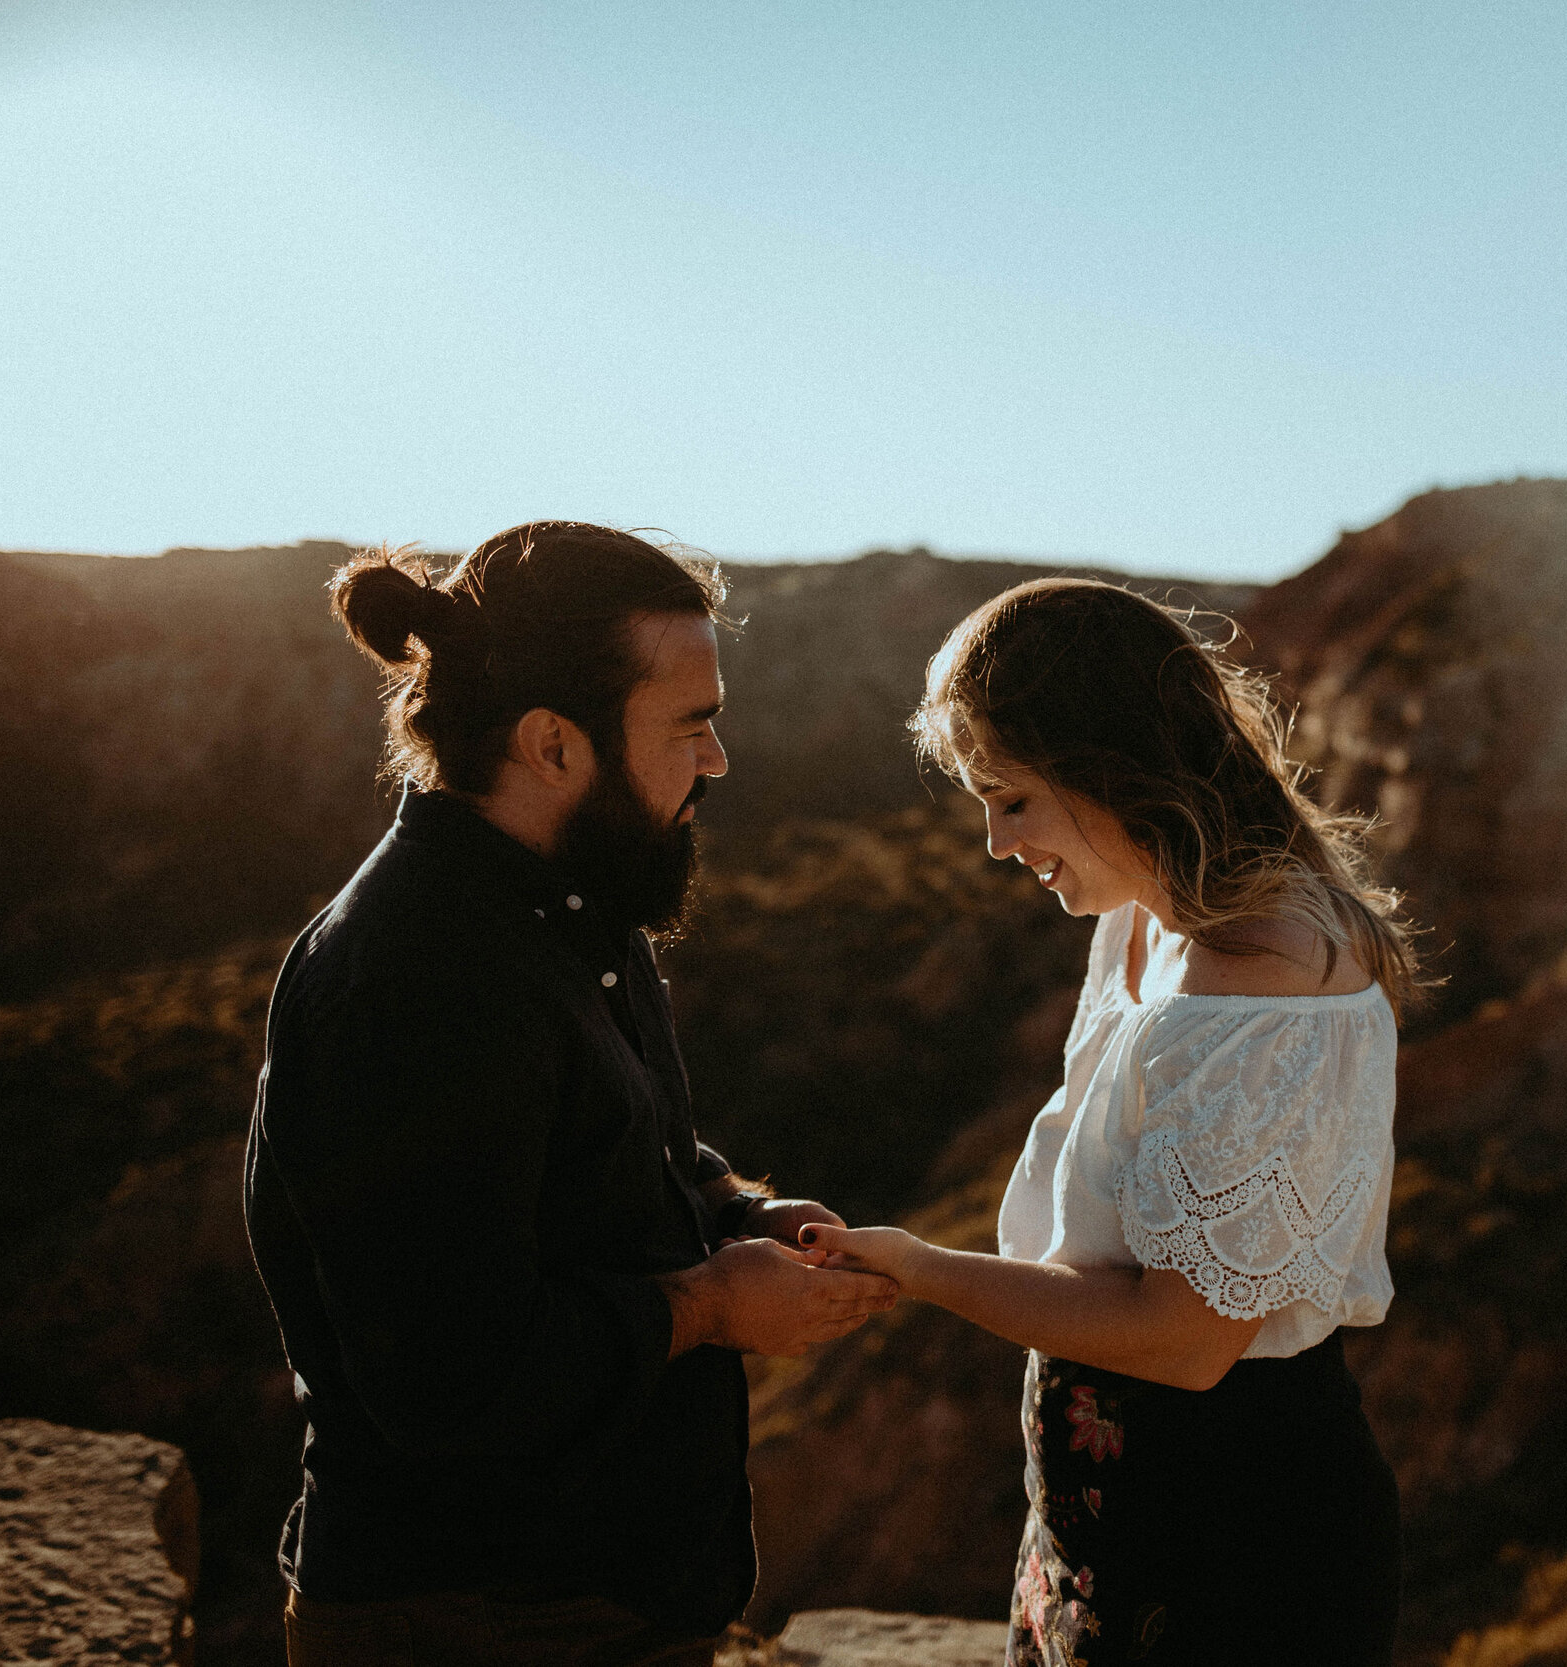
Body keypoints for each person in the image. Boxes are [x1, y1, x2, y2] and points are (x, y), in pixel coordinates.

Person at [243, 521, 899, 1667]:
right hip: (476, 1620)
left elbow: (624, 1152)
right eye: (691, 725)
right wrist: (712, 1303)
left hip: (589, 1601)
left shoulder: (572, 901)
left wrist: (740, 1211)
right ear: (553, 742)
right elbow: (451, 1380)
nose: (718, 760)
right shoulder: (418, 976)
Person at [806, 578, 1416, 1667]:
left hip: (1233, 1547)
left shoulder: (1260, 985)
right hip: (1108, 1516)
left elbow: (1182, 1343)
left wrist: (918, 1269)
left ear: (1109, 764)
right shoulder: (1141, 922)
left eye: (1014, 798)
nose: (994, 840)